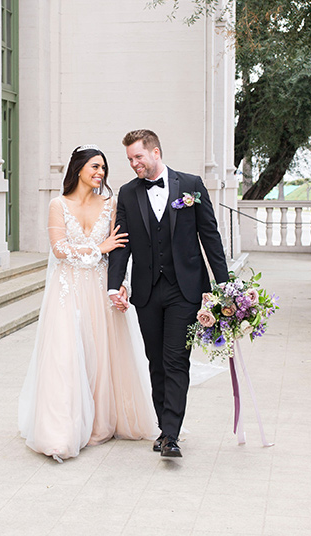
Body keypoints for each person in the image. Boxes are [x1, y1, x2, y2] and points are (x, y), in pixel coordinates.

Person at [19, 145, 157, 462]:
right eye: (95, 166)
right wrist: (100, 247)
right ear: (79, 168)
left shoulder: (111, 204)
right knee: (64, 356)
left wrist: (121, 285)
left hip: (98, 288)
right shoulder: (58, 204)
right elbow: (59, 249)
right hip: (66, 289)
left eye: (104, 168)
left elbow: (120, 251)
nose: (100, 173)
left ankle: (98, 422)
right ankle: (60, 431)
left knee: (101, 354)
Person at [108, 130, 229, 458]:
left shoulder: (191, 185)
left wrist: (225, 284)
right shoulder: (128, 193)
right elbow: (122, 244)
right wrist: (113, 283)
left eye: (138, 157)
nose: (134, 164)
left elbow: (210, 237)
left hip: (185, 290)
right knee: (156, 362)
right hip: (147, 292)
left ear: (156, 152)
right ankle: (164, 427)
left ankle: (171, 434)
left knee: (176, 360)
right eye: (130, 159)